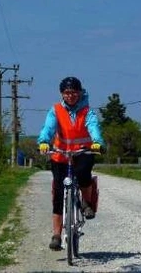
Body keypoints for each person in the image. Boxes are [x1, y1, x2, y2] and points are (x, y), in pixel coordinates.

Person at [38, 76, 105, 251]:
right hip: (61, 155)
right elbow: (48, 128)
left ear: (80, 93)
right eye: (67, 93)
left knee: (83, 174)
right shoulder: (56, 110)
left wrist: (97, 142)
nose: (71, 96)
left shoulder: (87, 111)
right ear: (62, 94)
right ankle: (56, 235)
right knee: (58, 194)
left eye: (74, 92)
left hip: (83, 152)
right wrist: (44, 141)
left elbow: (93, 127)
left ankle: (86, 203)